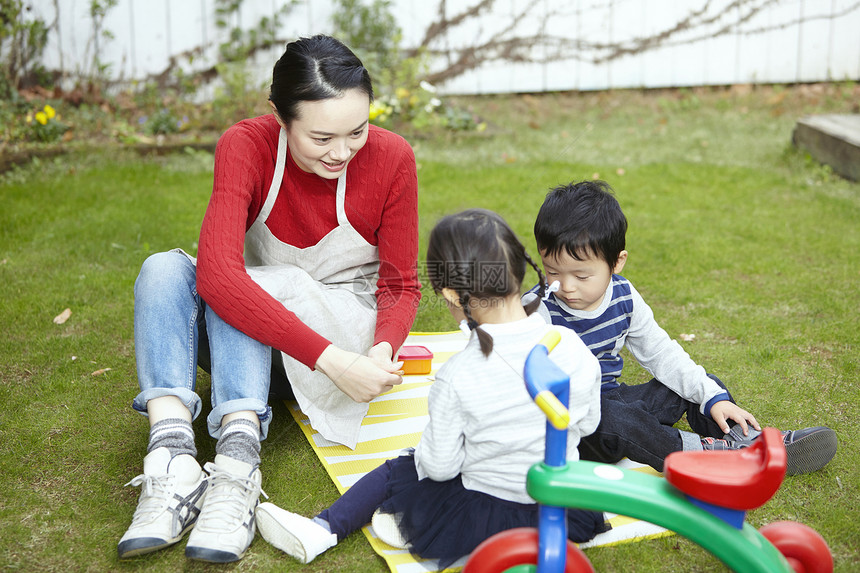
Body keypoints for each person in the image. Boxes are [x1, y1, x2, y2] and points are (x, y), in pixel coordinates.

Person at [117, 35, 421, 563]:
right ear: (281, 118)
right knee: (164, 269)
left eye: (357, 131)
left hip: (338, 339)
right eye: (322, 137)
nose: (342, 152)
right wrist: (333, 362)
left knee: (241, 285)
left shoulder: (393, 157)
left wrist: (377, 352)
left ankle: (236, 470)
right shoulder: (246, 145)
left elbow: (399, 285)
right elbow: (215, 278)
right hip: (274, 344)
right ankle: (172, 459)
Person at [253, 209, 609, 567]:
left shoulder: (459, 373)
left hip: (483, 513)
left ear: (453, 296)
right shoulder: (569, 344)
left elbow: (439, 467)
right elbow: (588, 423)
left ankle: (322, 530)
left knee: (403, 467)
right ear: (518, 271)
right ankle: (397, 518)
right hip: (559, 510)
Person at [525, 180, 837, 475]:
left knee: (696, 387)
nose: (565, 287)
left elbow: (661, 353)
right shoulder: (536, 310)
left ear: (617, 262)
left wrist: (714, 397)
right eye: (552, 271)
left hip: (615, 402)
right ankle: (703, 457)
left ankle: (755, 442)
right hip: (575, 425)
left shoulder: (623, 296)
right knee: (618, 419)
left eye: (581, 277)